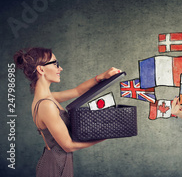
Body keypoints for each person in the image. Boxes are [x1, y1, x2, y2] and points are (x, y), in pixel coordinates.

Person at [14, 47, 121, 177]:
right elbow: (68, 146)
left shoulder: (47, 98)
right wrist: (106, 135)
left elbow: (77, 91)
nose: (60, 68)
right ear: (41, 69)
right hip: (55, 166)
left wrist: (102, 76)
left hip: (58, 161)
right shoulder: (46, 105)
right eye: (55, 64)